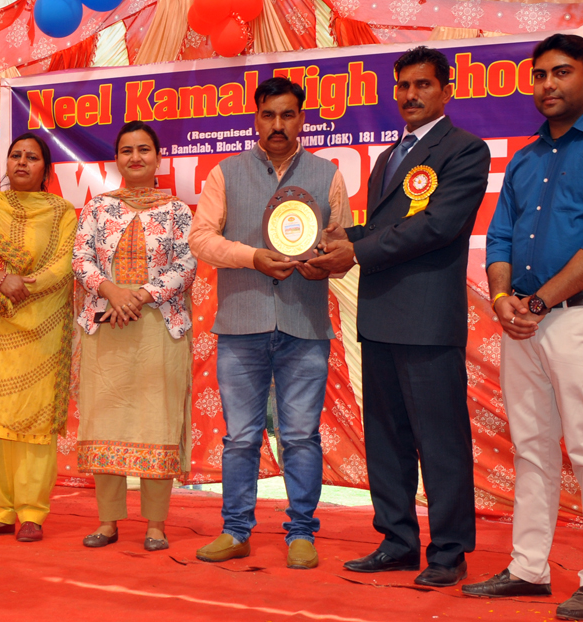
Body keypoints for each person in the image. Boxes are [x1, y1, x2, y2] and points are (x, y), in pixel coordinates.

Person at [463, 34, 583, 621]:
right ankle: (528, 568)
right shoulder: (524, 158)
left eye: (562, 73)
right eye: (540, 75)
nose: (548, 84)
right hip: (523, 321)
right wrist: (501, 297)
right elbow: (498, 236)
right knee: (532, 450)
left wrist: (539, 302)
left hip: (580, 320)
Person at [309, 46, 490, 587]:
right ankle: (397, 540)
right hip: (382, 317)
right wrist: (348, 237)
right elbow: (394, 225)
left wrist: (357, 252)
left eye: (422, 85)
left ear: (446, 90)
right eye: (403, 87)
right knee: (386, 436)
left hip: (429, 321)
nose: (410, 95)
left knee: (440, 439)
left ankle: (450, 551)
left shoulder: (464, 150)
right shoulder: (391, 156)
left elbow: (438, 226)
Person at [188, 77, 352, 570]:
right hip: (241, 327)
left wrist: (325, 259)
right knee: (241, 437)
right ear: (255, 118)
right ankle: (236, 530)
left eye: (287, 115)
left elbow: (343, 251)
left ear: (302, 119)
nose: (277, 125)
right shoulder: (225, 173)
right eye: (268, 116)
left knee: (301, 436)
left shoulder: (328, 175)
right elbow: (201, 239)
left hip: (305, 326)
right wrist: (252, 257)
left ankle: (301, 532)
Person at [73, 122, 196, 551]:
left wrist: (140, 296)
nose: (135, 157)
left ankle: (156, 524)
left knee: (155, 420)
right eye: (127, 150)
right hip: (106, 328)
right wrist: (112, 293)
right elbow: (81, 258)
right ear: (117, 159)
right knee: (106, 416)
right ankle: (108, 521)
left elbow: (185, 266)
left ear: (159, 157)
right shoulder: (97, 209)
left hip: (158, 329)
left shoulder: (178, 211)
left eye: (144, 149)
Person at [0, 133, 77, 543]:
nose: (22, 162)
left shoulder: (62, 213)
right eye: (16, 155)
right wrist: (0, 282)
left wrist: (23, 287)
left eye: (33, 157)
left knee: (34, 420)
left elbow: (63, 267)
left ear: (46, 169)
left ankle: (32, 512)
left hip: (42, 330)